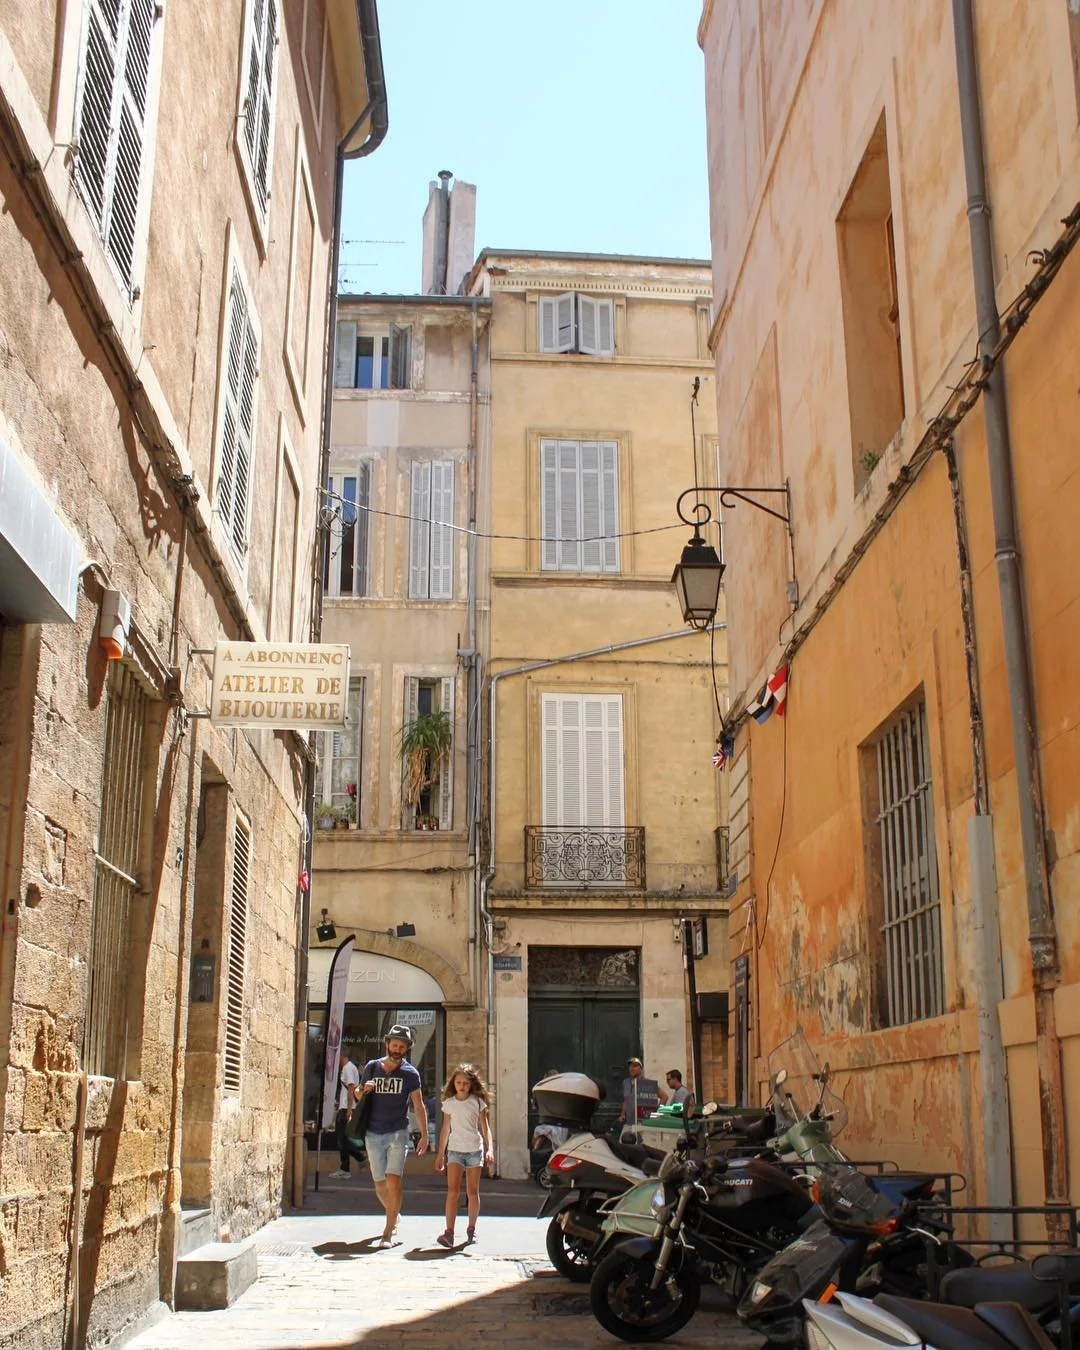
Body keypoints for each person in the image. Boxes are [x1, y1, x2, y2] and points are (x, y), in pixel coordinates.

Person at [356, 1025, 429, 1245]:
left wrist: (425, 1135)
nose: (397, 1049)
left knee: (393, 1181)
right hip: (373, 1131)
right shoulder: (371, 1067)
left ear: (406, 1049)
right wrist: (363, 1090)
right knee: (379, 1183)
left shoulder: (410, 1073)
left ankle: (388, 1232)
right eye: (394, 1045)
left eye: (402, 1046)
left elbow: (418, 1105)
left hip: (398, 1132)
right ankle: (394, 1214)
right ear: (387, 1044)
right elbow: (358, 1095)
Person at [434, 1063, 494, 1248]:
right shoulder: (449, 1104)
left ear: (471, 1084)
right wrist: (440, 1154)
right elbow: (445, 1129)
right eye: (458, 1082)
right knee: (452, 1191)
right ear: (454, 1084)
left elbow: (485, 1127)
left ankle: (471, 1229)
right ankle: (449, 1232)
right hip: (455, 1151)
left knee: (472, 1192)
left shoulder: (477, 1102)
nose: (461, 1086)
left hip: (475, 1150)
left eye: (465, 1083)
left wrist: (490, 1148)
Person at [329, 1048, 365, 1179]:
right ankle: (355, 1161)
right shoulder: (351, 1068)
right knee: (343, 1138)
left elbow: (351, 1089)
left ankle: (349, 1166)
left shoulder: (347, 1068)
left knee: (341, 1139)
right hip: (346, 1107)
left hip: (347, 1108)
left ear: (341, 1056)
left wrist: (349, 1109)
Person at [618, 1057, 668, 1136]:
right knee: (623, 1143)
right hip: (629, 1123)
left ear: (641, 1069)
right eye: (630, 1066)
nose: (631, 1068)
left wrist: (656, 1113)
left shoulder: (647, 1083)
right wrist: (622, 1114)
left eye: (634, 1066)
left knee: (640, 1146)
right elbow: (626, 1100)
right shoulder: (625, 1082)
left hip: (643, 1124)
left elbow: (664, 1097)